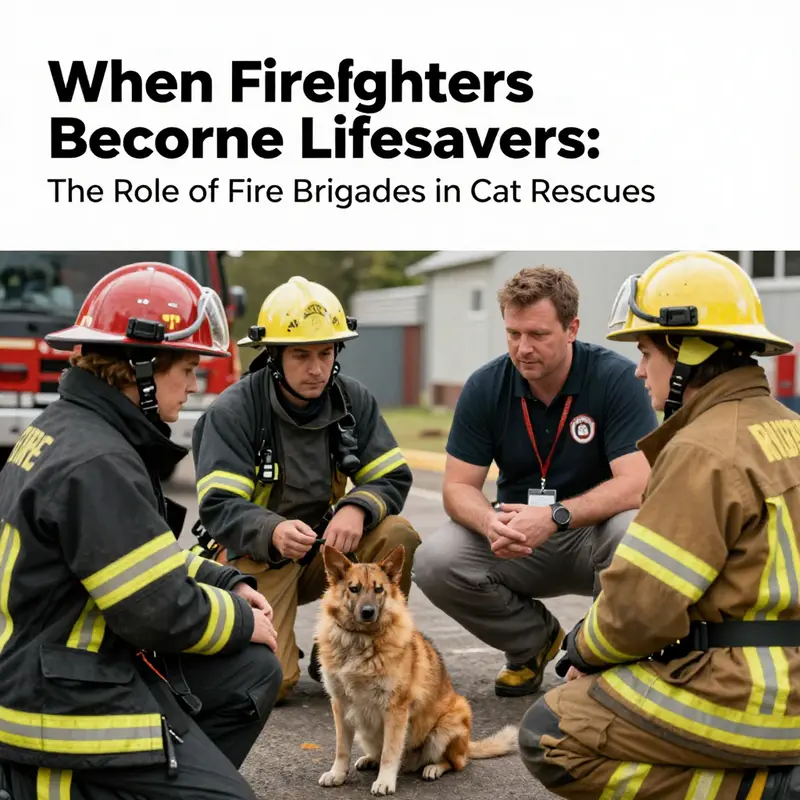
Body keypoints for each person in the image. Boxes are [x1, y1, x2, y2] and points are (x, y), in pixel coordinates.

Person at [519, 251, 800, 799]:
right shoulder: (790, 429)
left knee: (550, 733)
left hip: (755, 697)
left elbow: (641, 609)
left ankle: (771, 791)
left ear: (690, 352)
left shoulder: (703, 448)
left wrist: (581, 651)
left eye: (647, 351)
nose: (639, 369)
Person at [0, 262, 282, 800]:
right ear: (141, 370)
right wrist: (242, 617)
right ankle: (63, 785)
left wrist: (224, 580)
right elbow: (156, 609)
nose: (194, 385)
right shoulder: (99, 459)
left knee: (250, 673)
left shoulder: (71, 429)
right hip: (56, 701)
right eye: (187, 370)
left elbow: (132, 556)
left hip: (61, 666)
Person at [412, 265, 656, 697]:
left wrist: (555, 516)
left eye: (538, 335)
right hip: (516, 537)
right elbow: (457, 487)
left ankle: (597, 654)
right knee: (435, 559)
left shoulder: (616, 379)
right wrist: (490, 524)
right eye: (513, 333)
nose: (523, 348)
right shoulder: (486, 386)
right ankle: (531, 643)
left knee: (635, 531)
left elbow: (637, 485)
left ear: (571, 328)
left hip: (589, 534)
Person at [191, 275, 422, 701]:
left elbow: (391, 476)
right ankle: (276, 648)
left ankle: (353, 646)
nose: (316, 369)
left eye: (325, 352)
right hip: (255, 557)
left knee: (397, 533)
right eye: (301, 355)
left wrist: (358, 507)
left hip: (323, 549)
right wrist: (273, 530)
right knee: (272, 685)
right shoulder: (234, 411)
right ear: (274, 356)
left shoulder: (353, 400)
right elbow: (219, 506)